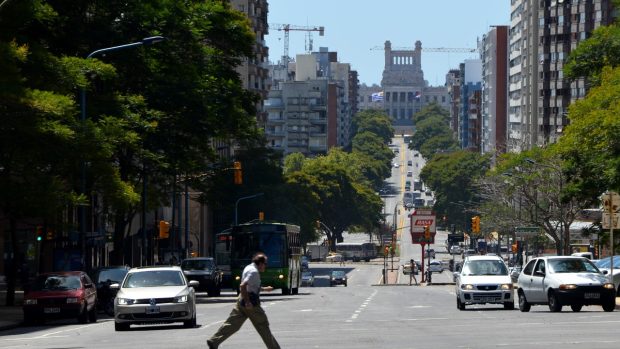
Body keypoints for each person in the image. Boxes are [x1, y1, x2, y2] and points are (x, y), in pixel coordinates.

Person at [207, 252, 280, 349]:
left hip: (241, 300)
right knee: (263, 326)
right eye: (265, 264)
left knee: (232, 324)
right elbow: (243, 285)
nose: (265, 266)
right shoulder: (253, 272)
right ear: (261, 263)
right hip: (251, 303)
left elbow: (250, 286)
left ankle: (214, 341)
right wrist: (247, 302)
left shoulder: (248, 267)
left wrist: (264, 289)